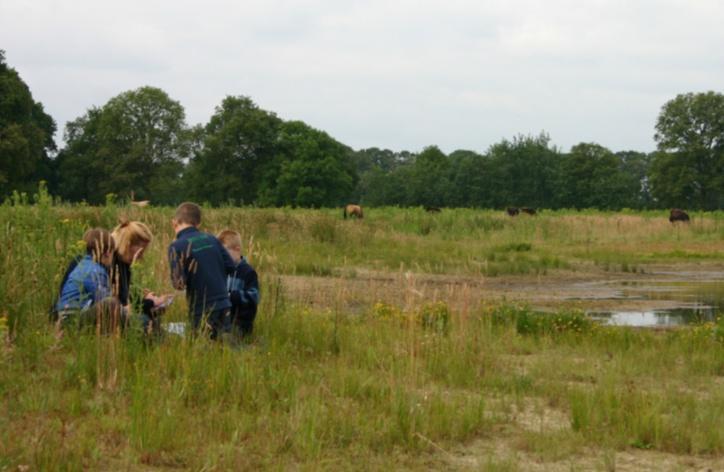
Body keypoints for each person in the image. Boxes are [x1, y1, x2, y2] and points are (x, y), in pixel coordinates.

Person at [168, 202, 235, 340]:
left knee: (204, 349)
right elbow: (231, 266)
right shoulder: (212, 238)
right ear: (198, 223)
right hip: (224, 303)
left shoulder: (176, 246)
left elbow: (178, 284)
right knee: (225, 348)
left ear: (174, 222)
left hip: (201, 308)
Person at [110, 219, 169, 334]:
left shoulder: (123, 262)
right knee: (144, 321)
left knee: (153, 319)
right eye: (140, 253)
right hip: (105, 315)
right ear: (127, 245)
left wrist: (142, 297)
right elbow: (121, 305)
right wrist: (150, 303)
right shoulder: (111, 264)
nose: (140, 258)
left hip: (116, 312)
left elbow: (125, 298)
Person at [55, 228, 120, 332]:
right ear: (108, 253)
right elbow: (103, 298)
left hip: (67, 316)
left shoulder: (84, 264)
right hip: (72, 320)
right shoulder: (95, 271)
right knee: (111, 304)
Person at [217, 230, 260, 340]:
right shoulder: (221, 270)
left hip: (240, 324)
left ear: (237, 250)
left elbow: (254, 297)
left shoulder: (248, 272)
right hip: (223, 321)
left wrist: (232, 296)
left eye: (224, 253)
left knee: (225, 338)